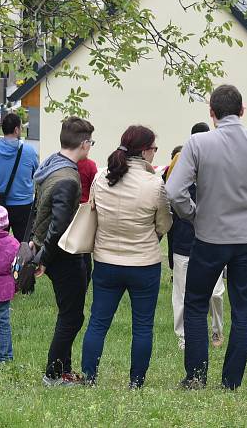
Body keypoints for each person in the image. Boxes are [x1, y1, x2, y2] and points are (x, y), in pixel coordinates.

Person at [165, 84, 247, 390]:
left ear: (212, 113)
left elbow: (174, 190)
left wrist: (193, 214)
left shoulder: (198, 142)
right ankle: (231, 381)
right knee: (243, 309)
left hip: (209, 237)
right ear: (243, 110)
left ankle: (196, 376)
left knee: (195, 304)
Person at [80, 125, 172, 388]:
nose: (155, 153)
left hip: (106, 261)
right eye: (154, 148)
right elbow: (164, 224)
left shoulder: (102, 178)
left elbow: (94, 212)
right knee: (143, 326)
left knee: (98, 322)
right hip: (144, 263)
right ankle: (136, 383)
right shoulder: (154, 183)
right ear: (144, 151)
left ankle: (89, 377)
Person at [32, 117, 95, 386]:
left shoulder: (51, 164)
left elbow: (38, 211)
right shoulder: (68, 178)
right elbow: (58, 226)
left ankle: (64, 371)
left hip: (50, 250)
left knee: (68, 313)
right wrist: (43, 259)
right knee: (71, 316)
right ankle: (54, 374)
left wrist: (36, 245)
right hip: (64, 254)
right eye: (90, 142)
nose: (91, 146)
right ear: (84, 144)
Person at [165, 122, 227, 351]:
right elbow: (170, 197)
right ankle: (183, 337)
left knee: (216, 293)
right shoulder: (179, 168)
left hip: (214, 242)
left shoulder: (218, 169)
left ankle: (216, 331)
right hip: (184, 241)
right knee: (181, 294)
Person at [0, 113, 39, 240]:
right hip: (23, 206)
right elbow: (36, 174)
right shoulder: (29, 151)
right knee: (23, 245)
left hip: (0, 205)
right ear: (16, 130)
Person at [0, 205, 20, 363]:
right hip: (4, 290)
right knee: (3, 322)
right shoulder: (13, 244)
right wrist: (16, 285)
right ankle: (5, 356)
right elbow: (17, 268)